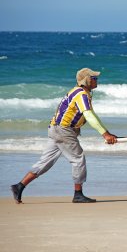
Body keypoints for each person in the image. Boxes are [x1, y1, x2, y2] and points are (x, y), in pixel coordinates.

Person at [11, 68, 118, 204]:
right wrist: (105, 134)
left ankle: (19, 186)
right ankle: (78, 194)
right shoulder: (81, 95)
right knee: (78, 159)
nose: (96, 80)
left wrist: (106, 132)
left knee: (45, 162)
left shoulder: (79, 92)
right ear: (87, 80)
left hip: (56, 128)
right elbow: (88, 115)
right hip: (64, 130)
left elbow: (92, 114)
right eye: (94, 78)